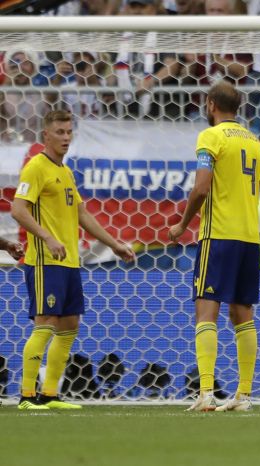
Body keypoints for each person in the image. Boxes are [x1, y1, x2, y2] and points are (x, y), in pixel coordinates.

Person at [11, 110, 135, 410]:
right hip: (44, 260)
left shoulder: (65, 172)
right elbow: (18, 209)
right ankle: (27, 396)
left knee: (70, 325)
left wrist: (115, 245)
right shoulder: (35, 168)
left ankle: (51, 394)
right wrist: (48, 238)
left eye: (69, 132)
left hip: (68, 262)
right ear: (46, 135)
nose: (66, 137)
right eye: (60, 132)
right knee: (46, 323)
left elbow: (83, 215)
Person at [168, 81, 260, 412]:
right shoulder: (254, 142)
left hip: (219, 235)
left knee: (206, 310)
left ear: (210, 105)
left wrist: (182, 224)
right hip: (250, 237)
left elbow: (201, 188)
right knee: (243, 314)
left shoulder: (210, 137)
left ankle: (206, 393)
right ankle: (244, 396)